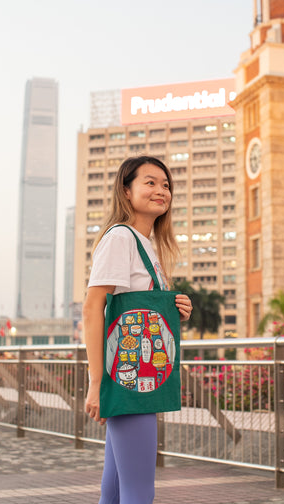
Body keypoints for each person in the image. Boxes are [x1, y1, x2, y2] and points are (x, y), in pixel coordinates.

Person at [83, 155, 192, 504]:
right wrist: (97, 383)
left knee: (115, 486)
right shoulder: (122, 238)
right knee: (139, 488)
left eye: (166, 185)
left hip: (136, 373)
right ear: (126, 191)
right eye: (150, 182)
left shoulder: (147, 246)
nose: (161, 190)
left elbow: (139, 310)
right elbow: (92, 308)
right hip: (131, 378)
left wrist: (176, 307)